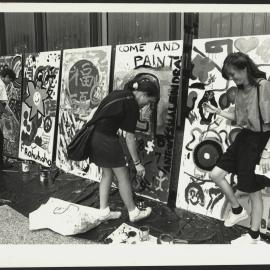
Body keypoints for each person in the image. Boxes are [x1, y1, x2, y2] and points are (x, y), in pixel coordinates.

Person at [203, 52, 270, 244]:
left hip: (261, 141)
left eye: (234, 74)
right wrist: (218, 112)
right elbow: (240, 119)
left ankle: (254, 237)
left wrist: (266, 152)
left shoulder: (263, 86)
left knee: (253, 189)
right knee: (216, 174)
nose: (233, 78)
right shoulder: (240, 91)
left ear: (245, 68)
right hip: (245, 138)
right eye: (230, 76)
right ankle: (237, 209)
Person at [89, 73, 160, 222]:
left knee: (107, 174)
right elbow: (129, 137)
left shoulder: (119, 94)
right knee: (123, 177)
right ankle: (133, 212)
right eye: (148, 101)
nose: (146, 105)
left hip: (95, 137)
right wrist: (137, 163)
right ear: (142, 94)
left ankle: (103, 211)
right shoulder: (132, 105)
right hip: (107, 140)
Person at [0, 68, 16, 170]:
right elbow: (3, 105)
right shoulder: (1, 85)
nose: (10, 82)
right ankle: (1, 164)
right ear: (5, 77)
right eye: (9, 79)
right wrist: (12, 116)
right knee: (0, 139)